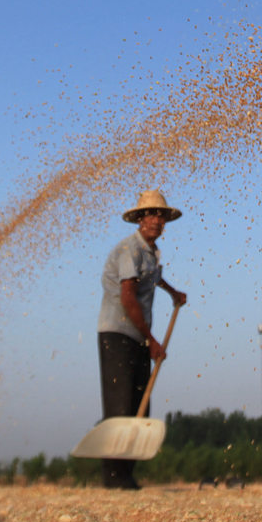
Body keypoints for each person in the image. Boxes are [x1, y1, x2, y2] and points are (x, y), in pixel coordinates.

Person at [97, 190, 187, 489]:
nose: (156, 220)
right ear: (139, 219)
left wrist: (171, 291)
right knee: (120, 405)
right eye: (150, 214)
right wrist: (152, 340)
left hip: (138, 335)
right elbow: (128, 296)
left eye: (160, 216)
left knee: (140, 404)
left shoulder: (151, 253)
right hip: (118, 333)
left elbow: (150, 277)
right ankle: (113, 476)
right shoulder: (130, 250)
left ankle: (127, 475)